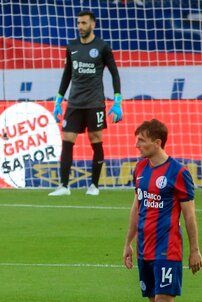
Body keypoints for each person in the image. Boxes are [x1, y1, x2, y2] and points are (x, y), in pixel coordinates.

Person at [123, 119, 202, 302]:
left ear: (157, 143)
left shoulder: (178, 172)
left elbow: (189, 215)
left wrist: (194, 250)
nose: (137, 145)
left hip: (168, 249)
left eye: (142, 140)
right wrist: (128, 243)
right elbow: (137, 206)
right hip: (144, 248)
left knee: (164, 300)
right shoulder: (140, 168)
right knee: (153, 301)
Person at [48, 10, 122, 196]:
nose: (80, 26)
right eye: (78, 23)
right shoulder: (71, 46)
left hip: (95, 102)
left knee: (95, 140)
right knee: (67, 139)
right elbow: (67, 74)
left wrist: (117, 100)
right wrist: (58, 100)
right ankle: (64, 186)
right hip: (74, 102)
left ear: (92, 24)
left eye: (83, 23)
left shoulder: (103, 47)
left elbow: (114, 73)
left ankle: (94, 186)